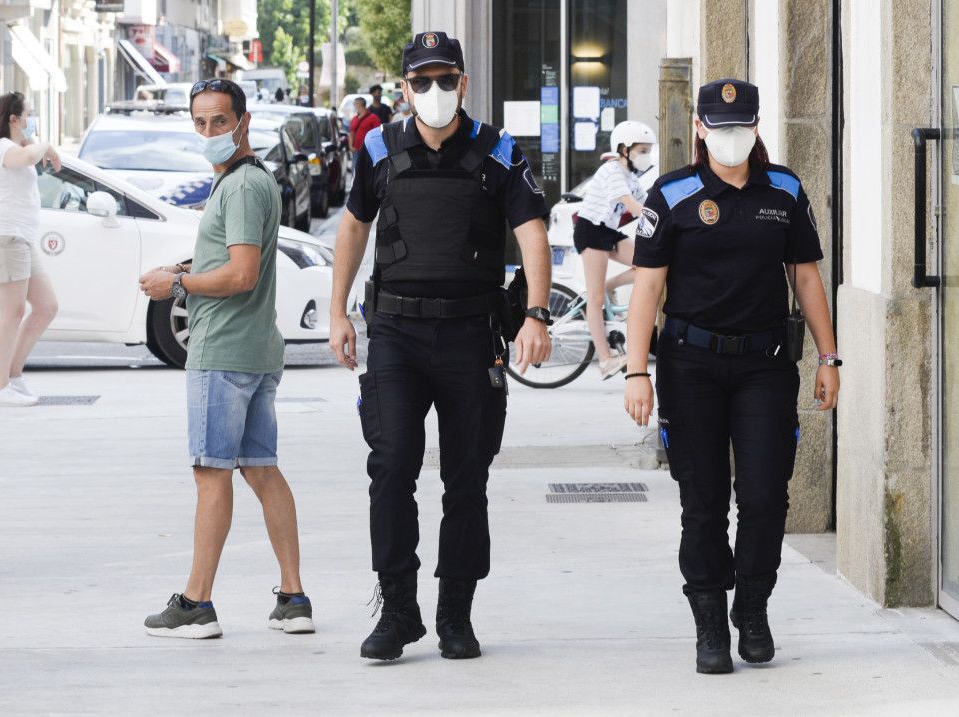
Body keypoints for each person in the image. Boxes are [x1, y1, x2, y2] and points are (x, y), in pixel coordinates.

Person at [329, 32, 553, 662]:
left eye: (445, 79)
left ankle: (456, 610)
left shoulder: (498, 149)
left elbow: (531, 231)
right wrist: (340, 309)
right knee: (392, 465)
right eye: (421, 81)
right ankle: (398, 608)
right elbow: (353, 225)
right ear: (404, 89)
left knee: (466, 477)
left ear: (463, 82)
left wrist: (536, 314)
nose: (434, 91)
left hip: (470, 334)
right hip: (396, 334)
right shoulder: (378, 145)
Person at [623, 79, 840, 675]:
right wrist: (636, 370)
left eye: (741, 124)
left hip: (765, 366)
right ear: (699, 129)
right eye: (719, 126)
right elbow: (647, 288)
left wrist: (829, 358)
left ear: (757, 125)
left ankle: (753, 604)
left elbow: (807, 279)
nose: (731, 136)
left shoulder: (785, 190)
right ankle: (710, 623)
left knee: (766, 495)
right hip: (690, 365)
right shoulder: (671, 195)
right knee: (704, 501)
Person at [138, 78, 314, 640]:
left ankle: (197, 602)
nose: (209, 131)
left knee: (211, 472)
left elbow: (240, 274)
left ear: (243, 120)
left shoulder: (240, 186)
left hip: (224, 351)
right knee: (261, 469)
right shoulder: (253, 180)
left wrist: (179, 282)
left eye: (219, 120)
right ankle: (293, 597)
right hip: (257, 348)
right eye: (200, 122)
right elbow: (238, 260)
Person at [0, 92, 60, 408]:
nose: (30, 118)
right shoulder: (3, 149)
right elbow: (25, 158)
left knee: (46, 306)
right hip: (5, 237)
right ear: (13, 118)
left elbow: (27, 151)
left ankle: (12, 375)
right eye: (27, 114)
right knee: (11, 312)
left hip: (19, 238)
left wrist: (34, 140)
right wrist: (46, 146)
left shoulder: (15, 144)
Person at [573, 120, 656, 379]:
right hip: (590, 230)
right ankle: (606, 360)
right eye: (642, 151)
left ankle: (605, 285)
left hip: (606, 231)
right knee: (595, 301)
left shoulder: (631, 176)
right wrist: (658, 221)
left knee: (646, 263)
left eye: (648, 151)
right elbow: (631, 205)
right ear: (624, 148)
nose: (646, 157)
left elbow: (649, 204)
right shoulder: (612, 170)